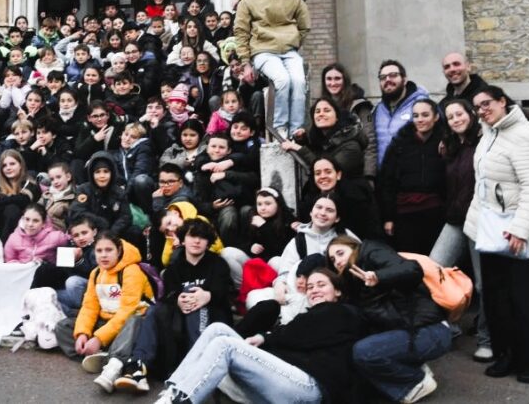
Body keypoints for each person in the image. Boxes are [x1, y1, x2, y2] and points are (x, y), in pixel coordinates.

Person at [153, 268, 363, 404]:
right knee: (217, 329)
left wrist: (266, 337)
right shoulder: (313, 314)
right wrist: (266, 337)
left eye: (321, 285)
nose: (314, 290)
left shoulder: (342, 312)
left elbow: (297, 335)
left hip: (309, 387)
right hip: (285, 380)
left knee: (226, 345)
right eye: (310, 287)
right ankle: (171, 394)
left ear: (337, 291)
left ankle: (183, 400)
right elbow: (293, 335)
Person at [465, 86, 529, 384]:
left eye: (487, 103)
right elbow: (483, 185)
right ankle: (507, 355)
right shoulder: (488, 133)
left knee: (523, 301)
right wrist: (473, 225)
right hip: (490, 231)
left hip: (517, 233)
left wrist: (520, 231)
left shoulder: (523, 135)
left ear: (502, 101)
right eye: (477, 107)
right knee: (497, 299)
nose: (482, 110)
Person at [112, 218, 233, 392]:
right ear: (183, 239)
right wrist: (177, 300)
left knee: (192, 290)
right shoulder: (174, 268)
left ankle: (197, 364)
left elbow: (223, 292)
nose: (197, 241)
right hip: (180, 323)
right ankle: (139, 366)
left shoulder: (218, 264)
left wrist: (209, 295)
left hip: (211, 321)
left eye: (202, 237)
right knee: (154, 310)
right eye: (192, 236)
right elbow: (168, 295)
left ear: (208, 242)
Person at [328, 235, 452, 402]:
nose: (337, 261)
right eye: (333, 259)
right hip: (415, 331)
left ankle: (415, 383)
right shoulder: (353, 282)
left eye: (340, 253)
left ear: (354, 247)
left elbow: (413, 269)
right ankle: (416, 368)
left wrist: (379, 276)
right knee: (361, 345)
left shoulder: (369, 252)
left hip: (430, 330)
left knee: (364, 352)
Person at [429, 97, 492, 362]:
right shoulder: (452, 146)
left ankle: (487, 339)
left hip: (480, 221)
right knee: (433, 269)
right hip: (456, 219)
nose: (456, 119)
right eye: (451, 116)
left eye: (460, 114)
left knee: (482, 283)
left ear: (471, 114)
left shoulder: (485, 141)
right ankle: (449, 326)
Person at [55, 231, 153, 376]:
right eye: (99, 251)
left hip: (129, 325)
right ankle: (101, 355)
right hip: (106, 323)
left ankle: (114, 359)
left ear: (118, 251)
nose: (103, 255)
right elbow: (89, 307)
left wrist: (99, 338)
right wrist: (82, 333)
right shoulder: (95, 273)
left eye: (109, 250)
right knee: (63, 327)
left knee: (134, 321)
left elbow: (127, 312)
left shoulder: (131, 271)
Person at [234, 0, 310, 139]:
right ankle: (280, 127)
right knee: (282, 80)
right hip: (263, 50)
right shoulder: (249, 0)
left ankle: (296, 129)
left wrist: (293, 41)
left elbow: (304, 25)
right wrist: (246, 63)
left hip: (289, 50)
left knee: (299, 82)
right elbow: (241, 31)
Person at [377, 98, 447, 255]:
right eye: (416, 115)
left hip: (435, 212)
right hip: (405, 213)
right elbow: (387, 181)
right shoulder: (399, 143)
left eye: (425, 115)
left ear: (435, 117)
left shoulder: (446, 141)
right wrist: (388, 217)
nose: (420, 120)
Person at [282, 97, 368, 181]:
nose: (321, 114)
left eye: (327, 110)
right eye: (317, 111)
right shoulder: (323, 141)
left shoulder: (351, 146)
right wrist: (302, 140)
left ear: (337, 117)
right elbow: (316, 155)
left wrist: (298, 148)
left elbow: (327, 170)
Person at [320, 62, 377, 181]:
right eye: (329, 79)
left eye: (337, 78)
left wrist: (369, 175)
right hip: (330, 173)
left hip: (356, 172)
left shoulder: (359, 105)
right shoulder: (321, 107)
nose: (333, 83)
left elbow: (370, 141)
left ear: (345, 80)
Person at [372, 59, 429, 168]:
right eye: (383, 77)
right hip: (384, 179)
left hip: (412, 176)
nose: (387, 79)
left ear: (405, 79)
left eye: (393, 75)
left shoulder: (421, 104)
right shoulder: (377, 110)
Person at [0, 149, 42, 240]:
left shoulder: (30, 183)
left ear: (20, 165)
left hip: (22, 225)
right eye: (4, 165)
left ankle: (4, 247)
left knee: (11, 209)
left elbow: (23, 200)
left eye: (12, 164)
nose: (8, 168)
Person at [4, 204, 70, 264]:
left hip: (47, 274)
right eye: (27, 219)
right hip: (22, 274)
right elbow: (9, 261)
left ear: (43, 224)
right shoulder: (13, 238)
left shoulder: (57, 237)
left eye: (35, 221)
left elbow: (72, 245)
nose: (30, 224)